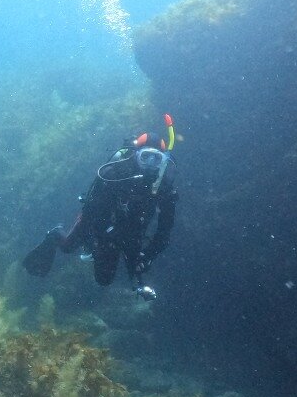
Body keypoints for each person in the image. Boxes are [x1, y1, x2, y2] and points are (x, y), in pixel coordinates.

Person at [22, 115, 179, 300]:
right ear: (136, 155)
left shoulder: (163, 187)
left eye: (156, 159)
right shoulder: (115, 173)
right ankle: (56, 235)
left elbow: (164, 231)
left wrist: (148, 255)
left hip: (132, 232)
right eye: (146, 157)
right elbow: (91, 211)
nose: (150, 165)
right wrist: (105, 234)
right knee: (69, 248)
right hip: (103, 225)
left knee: (116, 276)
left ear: (163, 162)